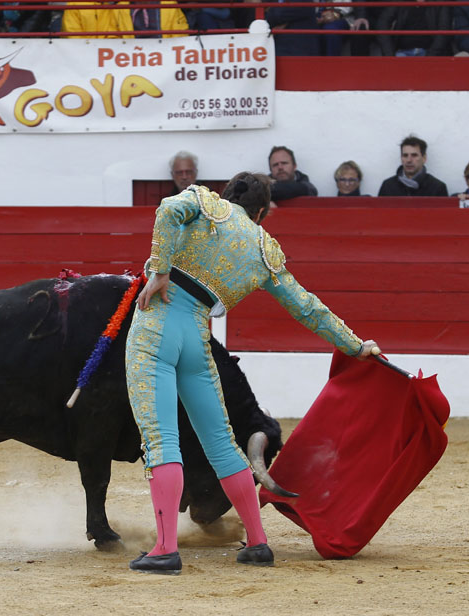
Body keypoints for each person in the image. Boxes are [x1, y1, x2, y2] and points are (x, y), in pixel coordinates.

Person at [125, 173, 379, 574]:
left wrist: (159, 271)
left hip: (155, 326)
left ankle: (165, 548)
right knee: (223, 442)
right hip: (197, 337)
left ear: (226, 195)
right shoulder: (264, 249)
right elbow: (306, 306)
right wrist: (355, 344)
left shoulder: (206, 204)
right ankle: (258, 543)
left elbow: (169, 209)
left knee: (160, 439)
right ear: (262, 213)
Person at [62, 1, 188, 38]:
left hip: (161, 61)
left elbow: (181, 37)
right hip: (125, 61)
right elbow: (113, 38)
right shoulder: (119, 7)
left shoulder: (170, 5)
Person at [378, 135, 448, 196]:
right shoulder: (387, 186)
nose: (409, 160)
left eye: (414, 155)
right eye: (405, 155)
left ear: (424, 158)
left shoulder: (437, 188)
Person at [375, 0, 452, 57]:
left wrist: (430, 57)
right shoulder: (401, 1)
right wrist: (390, 54)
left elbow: (444, 31)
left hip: (430, 54)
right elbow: (382, 22)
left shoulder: (440, 2)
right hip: (402, 53)